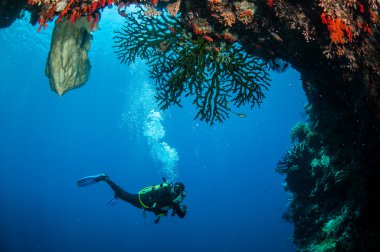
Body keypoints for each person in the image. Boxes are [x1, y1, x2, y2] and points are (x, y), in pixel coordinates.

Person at [77, 174, 187, 224]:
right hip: (140, 200)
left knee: (122, 195)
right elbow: (157, 204)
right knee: (122, 194)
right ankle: (104, 178)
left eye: (178, 191)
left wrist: (184, 210)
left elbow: (181, 216)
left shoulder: (175, 202)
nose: (175, 191)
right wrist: (174, 202)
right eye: (175, 188)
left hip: (144, 206)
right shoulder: (165, 190)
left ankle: (118, 193)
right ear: (173, 187)